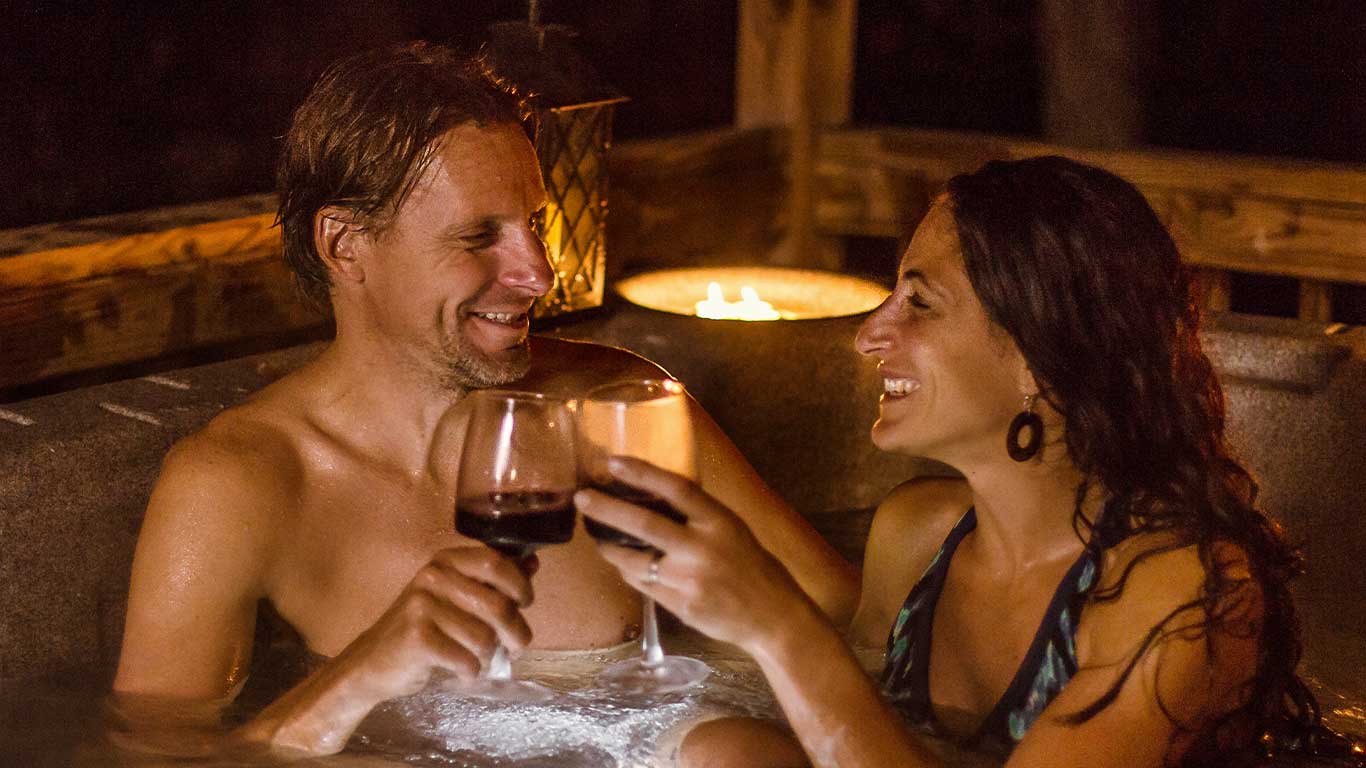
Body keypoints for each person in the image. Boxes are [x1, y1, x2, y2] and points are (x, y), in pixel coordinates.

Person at [110, 41, 856, 758]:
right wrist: (359, 672)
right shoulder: (240, 483)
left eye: (533, 224)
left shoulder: (614, 409)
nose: (539, 273)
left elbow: (846, 625)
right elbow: (152, 759)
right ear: (344, 246)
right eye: (478, 237)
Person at [577, 156, 1311, 767]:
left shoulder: (1182, 591)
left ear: (1038, 354)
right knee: (728, 748)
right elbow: (847, 728)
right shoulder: (919, 535)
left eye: (919, 306)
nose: (869, 337)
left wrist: (776, 624)